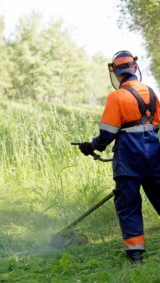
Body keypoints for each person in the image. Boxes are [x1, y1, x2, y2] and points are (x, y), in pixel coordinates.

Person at [78, 50, 160, 263]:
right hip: (153, 154)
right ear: (134, 68)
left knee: (129, 204)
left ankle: (135, 254)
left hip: (128, 160)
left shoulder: (117, 96)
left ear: (115, 73)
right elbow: (155, 125)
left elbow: (107, 134)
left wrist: (91, 146)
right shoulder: (150, 93)